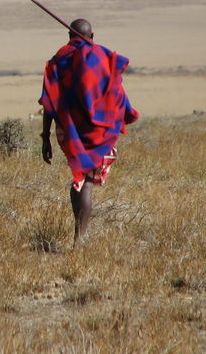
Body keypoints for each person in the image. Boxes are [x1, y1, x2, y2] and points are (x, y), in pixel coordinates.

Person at [39, 18, 139, 248]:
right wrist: (121, 114)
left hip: (69, 130)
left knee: (80, 177)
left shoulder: (59, 60)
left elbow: (50, 101)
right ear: (91, 36)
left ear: (68, 35)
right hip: (100, 130)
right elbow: (116, 92)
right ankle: (80, 238)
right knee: (87, 182)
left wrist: (46, 136)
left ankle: (79, 234)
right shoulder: (101, 59)